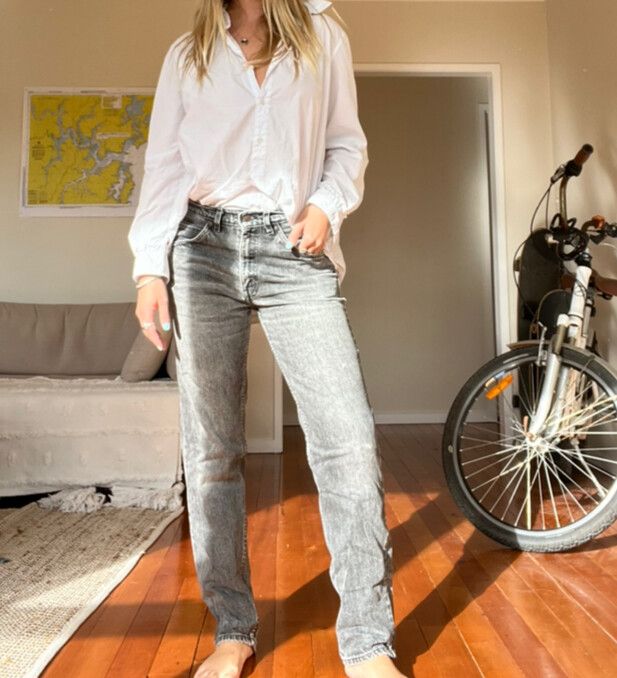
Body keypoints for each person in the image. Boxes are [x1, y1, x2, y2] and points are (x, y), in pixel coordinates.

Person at [128, 1, 403, 676]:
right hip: (200, 246)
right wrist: (149, 268)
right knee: (212, 449)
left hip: (294, 248)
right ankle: (233, 630)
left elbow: (346, 143)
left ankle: (368, 644)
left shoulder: (320, 34)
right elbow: (165, 165)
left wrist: (326, 205)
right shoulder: (188, 53)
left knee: (347, 440)